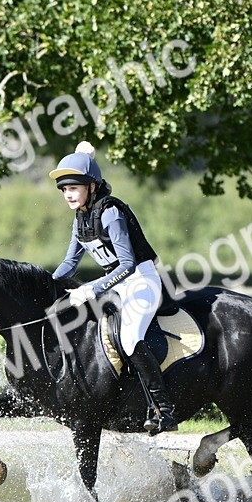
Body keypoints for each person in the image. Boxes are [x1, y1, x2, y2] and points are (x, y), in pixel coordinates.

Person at [48, 141, 177, 434]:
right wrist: (47, 287)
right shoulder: (80, 219)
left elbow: (128, 263)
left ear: (91, 186)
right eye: (64, 189)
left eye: (74, 188)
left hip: (141, 281)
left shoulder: (110, 212)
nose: (68, 193)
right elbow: (70, 263)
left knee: (130, 338)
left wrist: (92, 288)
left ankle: (164, 411)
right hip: (116, 285)